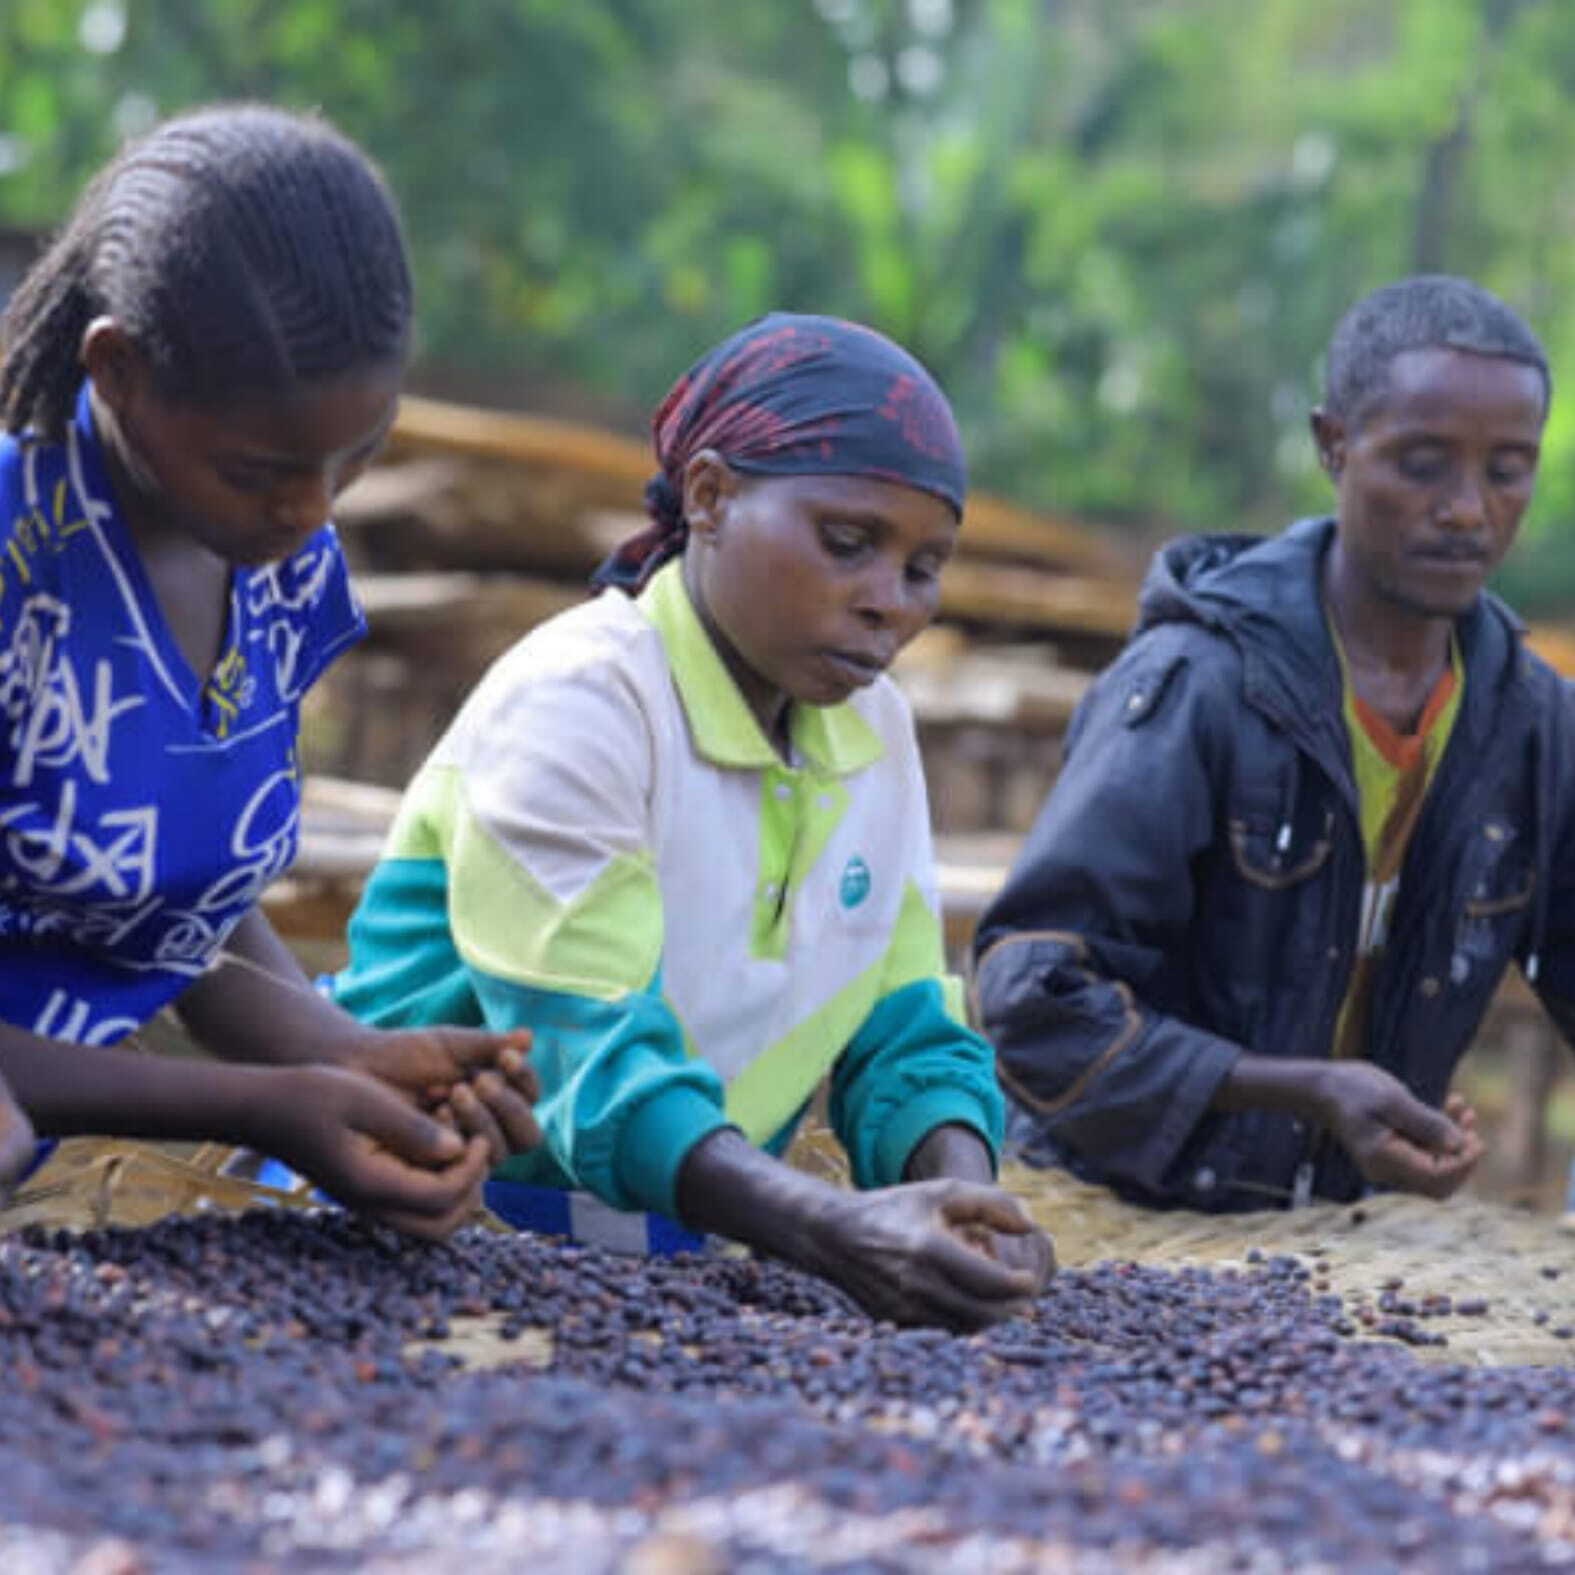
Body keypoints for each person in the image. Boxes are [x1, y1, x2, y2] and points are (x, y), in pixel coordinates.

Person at [334, 312, 1055, 1326]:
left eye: (922, 569)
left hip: (681, 1262)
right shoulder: (583, 700)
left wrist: (966, 1196)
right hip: (418, 1236)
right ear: (711, 498)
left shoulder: (874, 731)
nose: (888, 601)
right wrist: (833, 1231)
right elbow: (587, 1057)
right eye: (848, 544)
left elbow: (900, 1028)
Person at [0, 103, 539, 1238]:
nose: (313, 510)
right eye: (262, 471)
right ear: (119, 370)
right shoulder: (19, 560)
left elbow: (173, 906)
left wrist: (349, 1058)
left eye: (362, 450)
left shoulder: (280, 565)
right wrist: (268, 1104)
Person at [974, 274, 1572, 1213]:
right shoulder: (1197, 686)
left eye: (1506, 470)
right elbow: (1034, 997)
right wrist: (1301, 1087)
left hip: (1338, 1235)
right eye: (1422, 463)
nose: (1467, 508)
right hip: (1109, 1209)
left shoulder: (1530, 721)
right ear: (1333, 446)